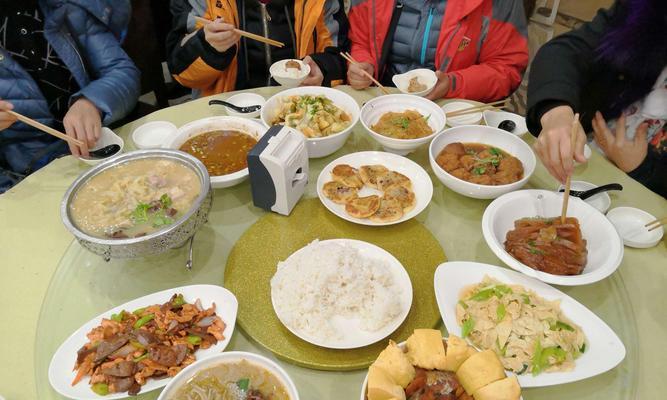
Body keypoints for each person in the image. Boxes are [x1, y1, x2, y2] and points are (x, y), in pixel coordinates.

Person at [526, 0, 666, 198]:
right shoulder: (646, 10)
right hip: (585, 161)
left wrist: (642, 167)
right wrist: (556, 113)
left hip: (647, 196)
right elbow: (565, 52)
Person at [0, 0, 140, 194]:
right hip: (32, 175)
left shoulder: (63, 6)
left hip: (101, 141)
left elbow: (122, 71)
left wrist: (92, 101)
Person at [346, 0, 529, 102]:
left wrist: (454, 84)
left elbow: (506, 68)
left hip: (453, 106)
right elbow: (360, 41)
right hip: (384, 94)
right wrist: (363, 63)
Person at [167, 0, 349, 97]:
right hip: (227, 110)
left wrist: (322, 67)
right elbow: (181, 72)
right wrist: (207, 47)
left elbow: (341, 56)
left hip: (301, 104)